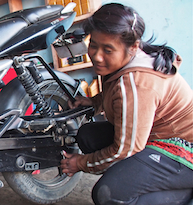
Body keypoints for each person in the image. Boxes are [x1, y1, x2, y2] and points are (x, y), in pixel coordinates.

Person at [60, 3, 193, 205]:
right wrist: (94, 102)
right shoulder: (126, 62)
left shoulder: (137, 84)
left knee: (107, 193)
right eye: (93, 44)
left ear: (133, 46)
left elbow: (125, 149)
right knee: (87, 136)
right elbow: (116, 94)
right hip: (153, 137)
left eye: (108, 49)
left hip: (183, 153)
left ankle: (181, 196)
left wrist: (80, 163)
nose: (96, 56)